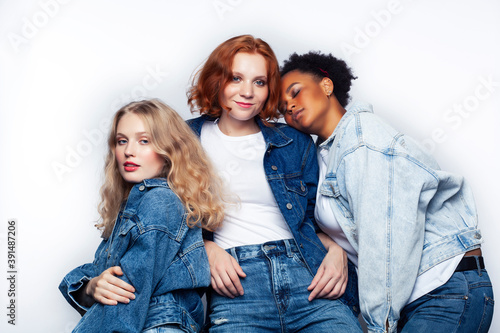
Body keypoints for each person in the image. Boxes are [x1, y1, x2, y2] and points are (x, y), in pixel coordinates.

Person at [279, 51, 494, 333]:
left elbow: (385, 241)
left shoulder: (362, 141)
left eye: (295, 92)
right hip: (420, 297)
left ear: (327, 85)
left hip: (444, 290)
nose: (290, 106)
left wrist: (379, 324)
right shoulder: (326, 153)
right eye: (282, 106)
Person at [186, 35, 361, 332]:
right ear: (216, 80)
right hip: (237, 290)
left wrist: (336, 251)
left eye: (259, 82)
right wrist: (204, 247)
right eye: (236, 78)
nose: (247, 92)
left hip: (309, 280)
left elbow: (314, 219)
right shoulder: (184, 140)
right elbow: (162, 216)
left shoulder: (294, 142)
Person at [59, 99, 226, 333]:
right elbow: (105, 277)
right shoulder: (137, 206)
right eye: (122, 141)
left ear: (170, 150)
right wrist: (90, 286)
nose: (128, 151)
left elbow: (128, 294)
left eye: (144, 141)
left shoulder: (160, 201)